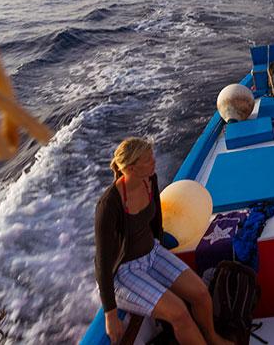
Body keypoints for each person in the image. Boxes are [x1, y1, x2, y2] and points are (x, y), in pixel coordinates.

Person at [95, 138, 231, 345]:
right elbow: (102, 262)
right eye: (148, 160)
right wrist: (110, 314)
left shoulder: (149, 180)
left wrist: (160, 244)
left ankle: (212, 337)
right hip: (126, 271)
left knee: (201, 294)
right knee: (179, 314)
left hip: (153, 253)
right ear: (131, 168)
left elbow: (156, 220)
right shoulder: (109, 205)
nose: (154, 162)